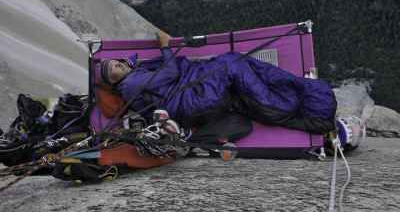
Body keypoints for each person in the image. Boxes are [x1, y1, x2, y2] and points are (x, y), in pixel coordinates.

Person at [98, 32, 337, 134]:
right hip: (191, 97)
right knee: (232, 66)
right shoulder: (130, 84)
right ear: (114, 82)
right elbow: (170, 72)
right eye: (112, 70)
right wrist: (164, 45)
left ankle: (302, 94)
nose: (117, 66)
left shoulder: (136, 73)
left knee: (235, 62)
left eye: (115, 63)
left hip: (193, 91)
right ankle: (313, 112)